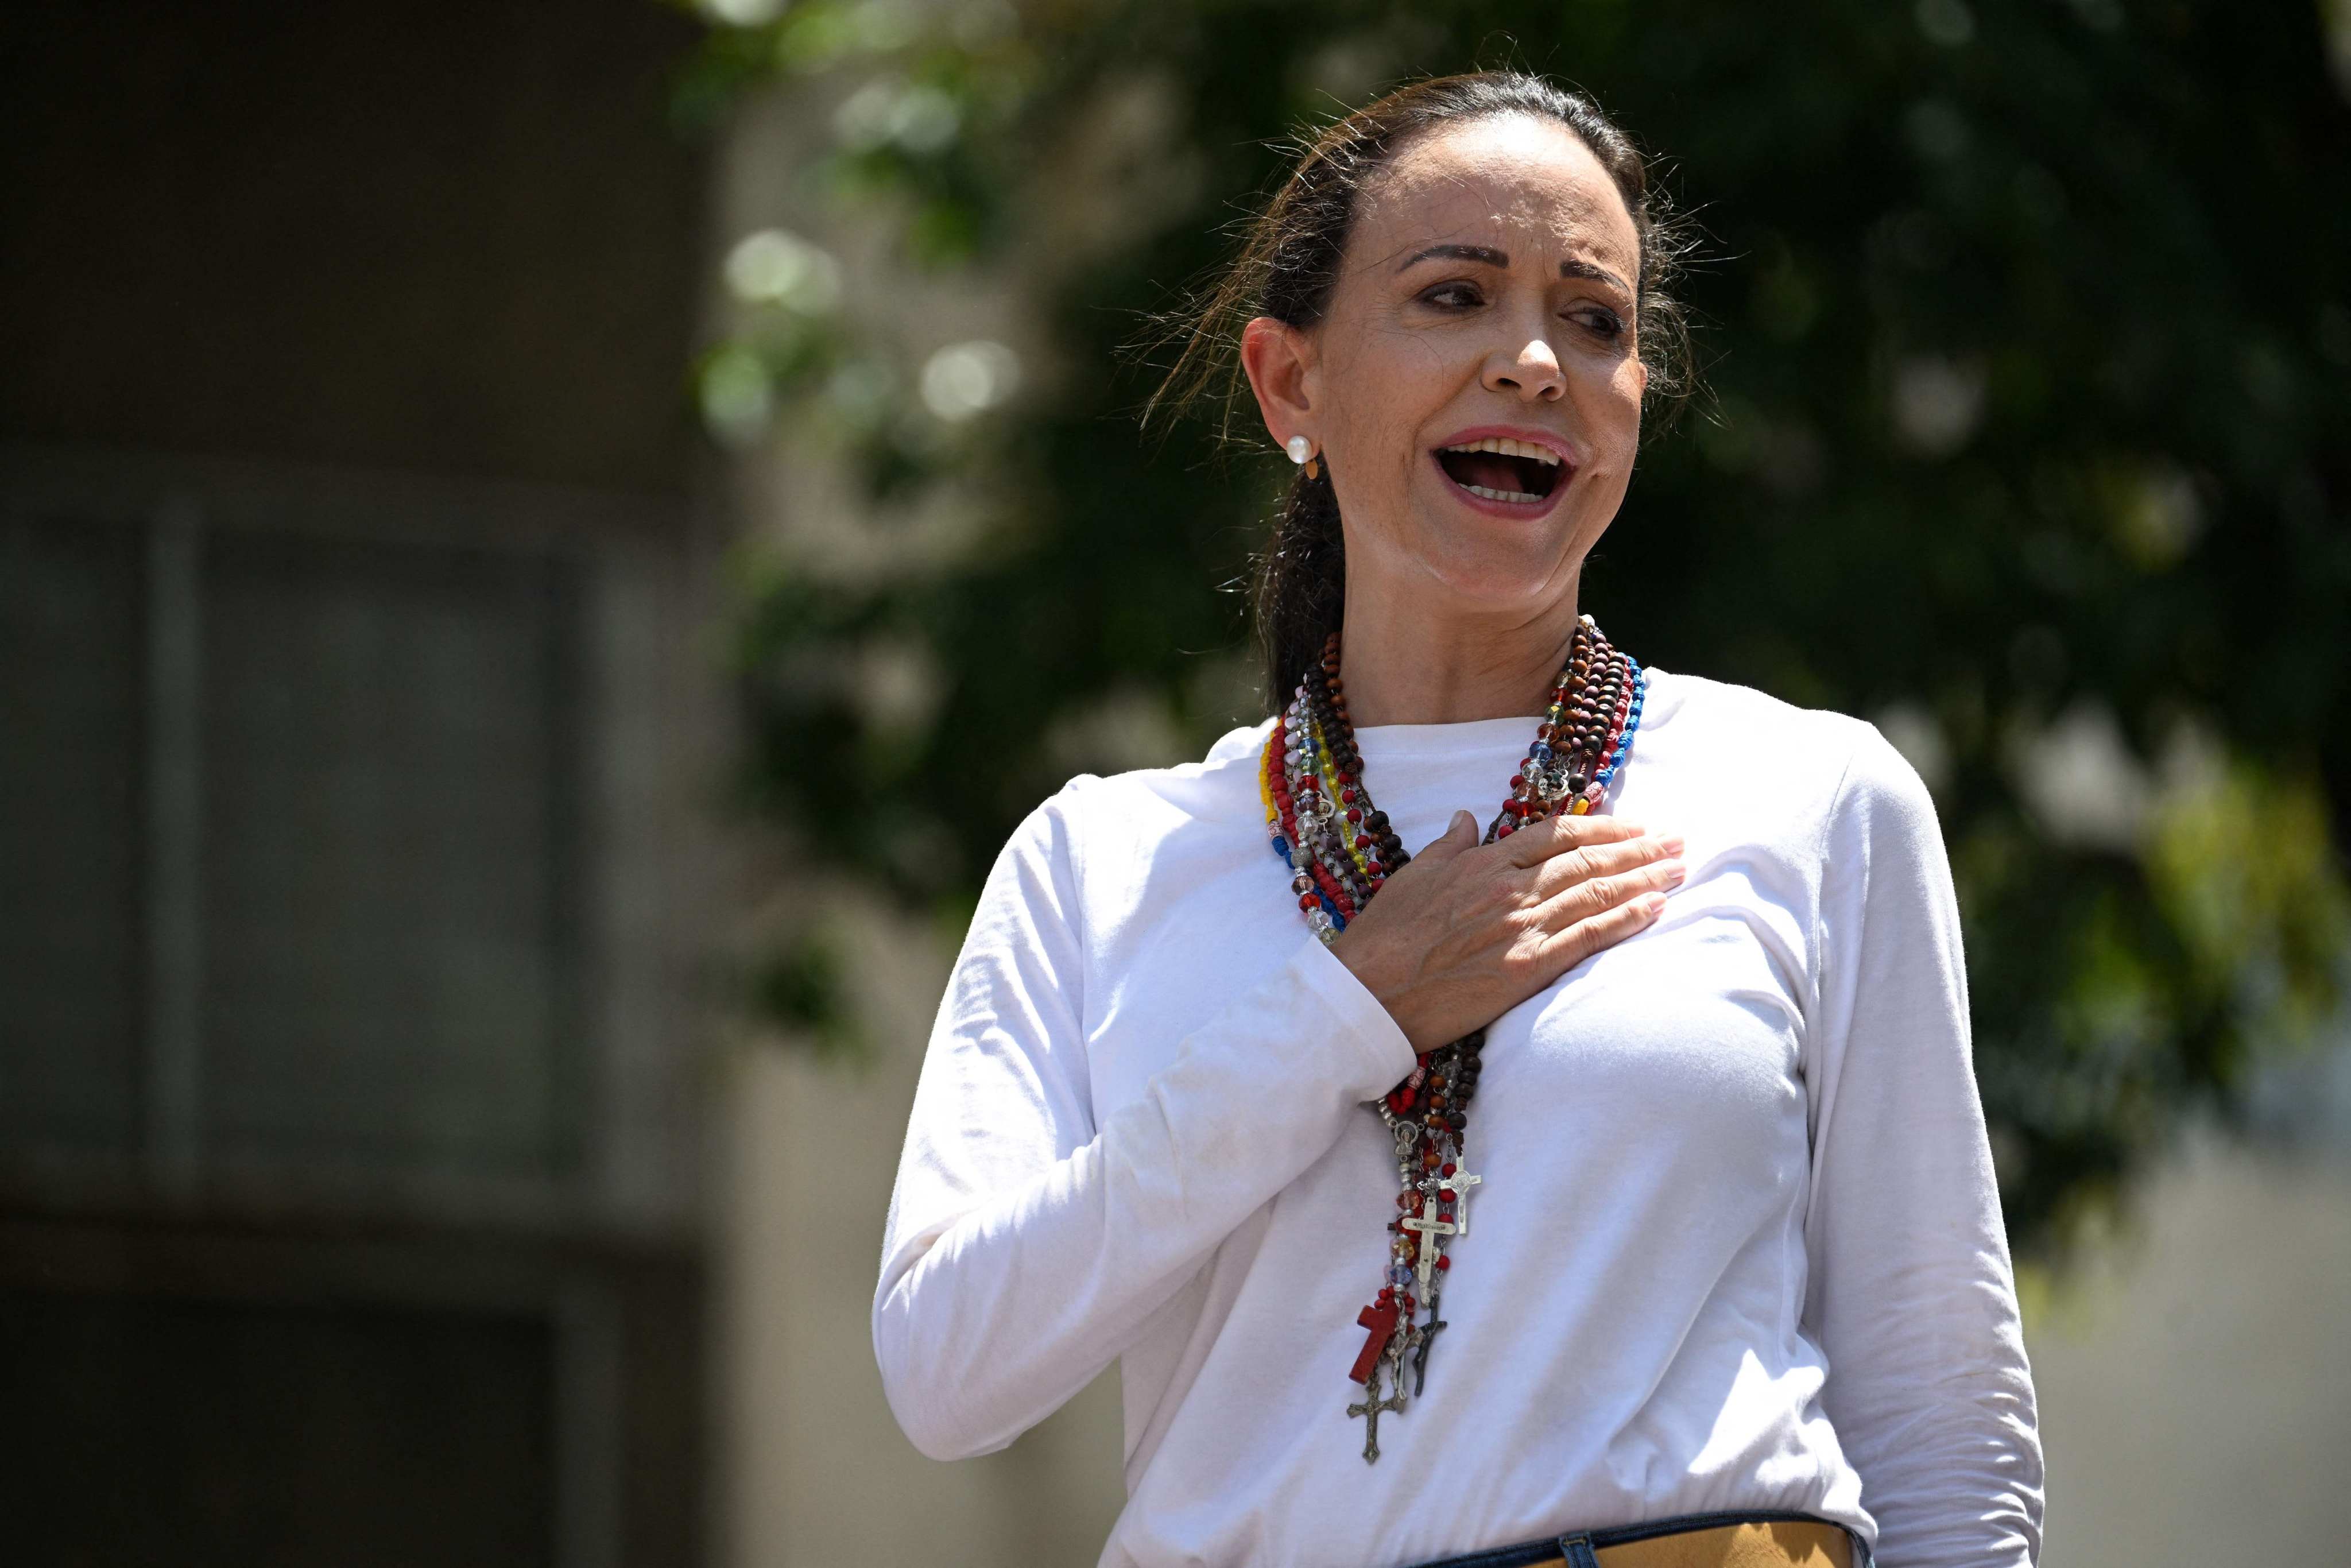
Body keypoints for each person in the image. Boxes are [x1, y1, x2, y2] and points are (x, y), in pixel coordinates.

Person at [872, 69, 2044, 1568]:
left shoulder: (1811, 797)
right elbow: (945, 1366)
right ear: (1291, 383)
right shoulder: (1103, 861)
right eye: (1455, 296)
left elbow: (1947, 1425)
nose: (1537, 361)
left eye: (1597, 319)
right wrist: (1341, 1014)